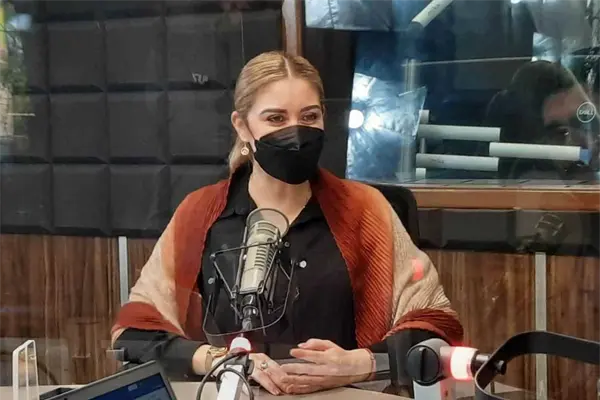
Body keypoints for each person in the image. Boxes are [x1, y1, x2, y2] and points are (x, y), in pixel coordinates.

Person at [111, 51, 462, 396]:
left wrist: (361, 363)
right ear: (242, 126)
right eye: (276, 119)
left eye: (309, 116)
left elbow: (436, 326)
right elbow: (135, 335)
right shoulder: (200, 214)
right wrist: (223, 362)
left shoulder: (366, 211)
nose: (295, 133)